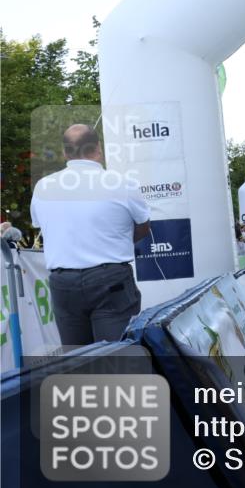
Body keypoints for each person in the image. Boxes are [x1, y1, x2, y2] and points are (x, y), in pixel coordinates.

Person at [29, 124, 151, 346]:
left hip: (64, 283)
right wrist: (113, 241)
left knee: (78, 360)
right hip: (110, 280)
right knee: (117, 358)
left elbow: (45, 227)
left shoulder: (43, 187)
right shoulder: (123, 183)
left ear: (65, 152)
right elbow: (143, 227)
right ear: (99, 148)